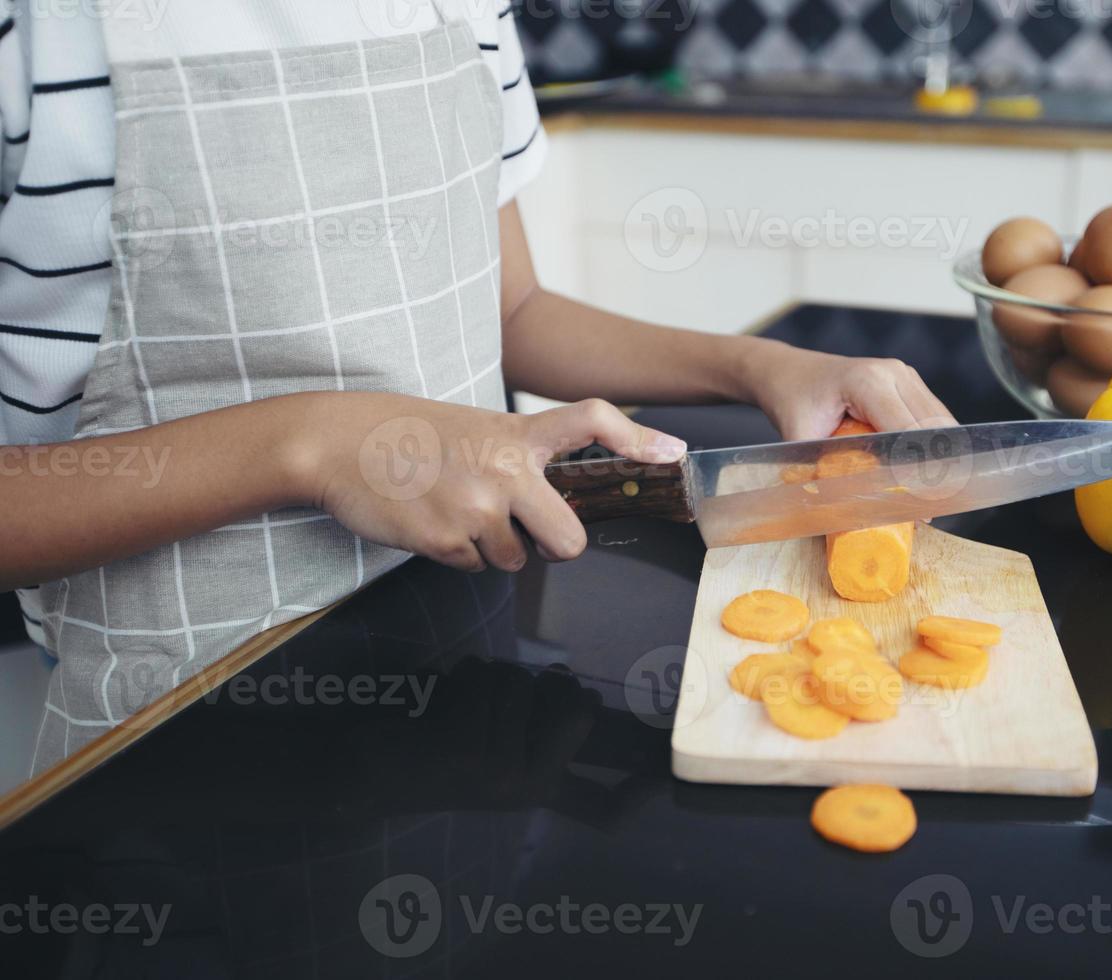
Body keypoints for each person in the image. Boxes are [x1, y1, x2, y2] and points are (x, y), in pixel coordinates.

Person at [0, 0, 955, 770]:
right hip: (177, 761)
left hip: (470, 690)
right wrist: (316, 444)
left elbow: (513, 308)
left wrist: (759, 367)